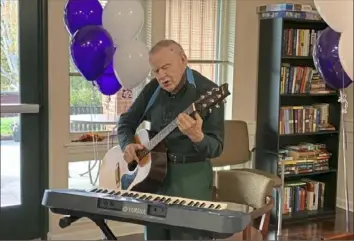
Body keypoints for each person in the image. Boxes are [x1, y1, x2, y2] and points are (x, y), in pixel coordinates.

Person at [117, 39, 225, 240]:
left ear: (183, 60)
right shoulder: (152, 90)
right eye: (156, 71)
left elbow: (216, 148)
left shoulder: (209, 92)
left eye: (166, 67)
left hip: (190, 181)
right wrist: (127, 144)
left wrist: (197, 137)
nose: (161, 76)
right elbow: (126, 122)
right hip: (152, 180)